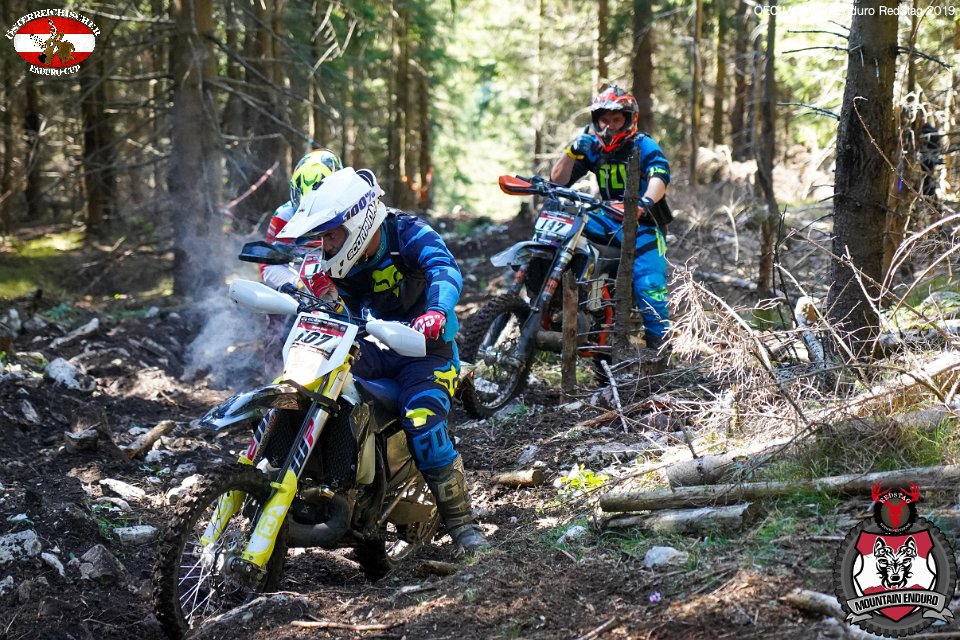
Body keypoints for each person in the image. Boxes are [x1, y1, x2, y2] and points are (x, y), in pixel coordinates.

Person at [276, 166, 488, 553]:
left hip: (426, 350)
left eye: (331, 234)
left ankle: (463, 527)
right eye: (322, 237)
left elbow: (443, 268)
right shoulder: (333, 258)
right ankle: (313, 484)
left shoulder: (407, 233)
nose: (326, 244)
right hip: (369, 343)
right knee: (309, 387)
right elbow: (333, 303)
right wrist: (312, 298)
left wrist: (436, 311)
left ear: (358, 223)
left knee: (422, 422)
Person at [550, 84, 672, 349]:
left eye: (616, 120)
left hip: (644, 224)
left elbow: (660, 176)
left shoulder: (643, 144)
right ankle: (556, 303)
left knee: (649, 285)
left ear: (629, 120)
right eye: (604, 120)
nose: (610, 126)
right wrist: (571, 152)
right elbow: (558, 180)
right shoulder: (593, 146)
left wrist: (644, 202)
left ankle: (660, 349)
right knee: (563, 231)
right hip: (606, 216)